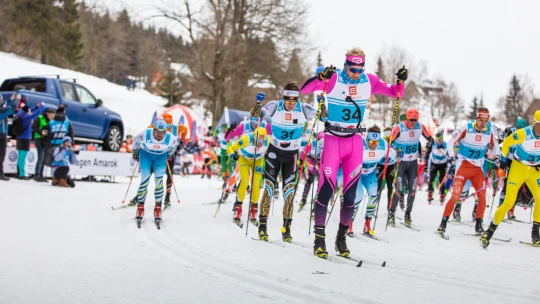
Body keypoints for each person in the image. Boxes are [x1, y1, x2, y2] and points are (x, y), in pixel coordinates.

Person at [300, 47, 407, 258]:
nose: (355, 73)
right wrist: (321, 77)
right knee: (326, 189)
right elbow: (305, 90)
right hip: (332, 140)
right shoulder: (334, 79)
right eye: (352, 69)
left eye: (360, 69)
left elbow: (396, 93)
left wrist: (401, 81)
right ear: (346, 65)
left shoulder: (369, 80)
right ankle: (319, 239)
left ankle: (341, 238)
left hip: (355, 142)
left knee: (350, 194)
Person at [257, 82, 319, 243]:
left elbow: (323, 117)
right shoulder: (275, 106)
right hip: (273, 153)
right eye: (288, 100)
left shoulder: (304, 108)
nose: (291, 104)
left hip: (291, 156)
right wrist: (257, 105)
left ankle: (286, 228)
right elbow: (255, 115)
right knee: (269, 190)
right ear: (283, 97)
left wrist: (323, 106)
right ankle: (262, 226)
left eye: (294, 100)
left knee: (289, 194)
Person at [437, 107, 501, 236]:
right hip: (463, 166)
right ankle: (443, 223)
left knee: (482, 197)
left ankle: (478, 224)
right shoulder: (466, 128)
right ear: (477, 118)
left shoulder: (489, 132)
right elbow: (450, 142)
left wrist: (498, 158)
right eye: (481, 119)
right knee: (456, 196)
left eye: (486, 120)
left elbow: (497, 148)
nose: (483, 123)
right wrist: (451, 156)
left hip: (477, 169)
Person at [481, 110, 540, 247]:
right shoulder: (523, 133)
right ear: (535, 124)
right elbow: (506, 144)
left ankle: (535, 232)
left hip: (534, 171)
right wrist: (502, 163)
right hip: (518, 168)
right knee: (509, 201)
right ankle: (489, 231)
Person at [340, 125, 391, 236]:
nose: (374, 145)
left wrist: (396, 154)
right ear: (367, 139)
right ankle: (349, 222)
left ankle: (367, 222)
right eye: (371, 142)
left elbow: (392, 156)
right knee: (358, 196)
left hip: (370, 173)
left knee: (373, 193)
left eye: (376, 142)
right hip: (357, 173)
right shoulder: (359, 142)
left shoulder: (383, 144)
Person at [388, 108, 434, 226]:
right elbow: (389, 143)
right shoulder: (399, 128)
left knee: (412, 190)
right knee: (398, 189)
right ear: (407, 119)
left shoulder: (419, 126)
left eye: (415, 120)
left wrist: (430, 142)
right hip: (401, 163)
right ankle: (391, 214)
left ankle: (408, 214)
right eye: (411, 120)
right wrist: (395, 150)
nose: (413, 122)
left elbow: (430, 137)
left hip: (413, 163)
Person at [132, 118, 178, 222]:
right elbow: (135, 140)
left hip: (160, 157)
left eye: (162, 132)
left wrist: (170, 154)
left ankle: (158, 208)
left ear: (166, 131)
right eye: (157, 132)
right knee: (145, 178)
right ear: (153, 130)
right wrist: (135, 153)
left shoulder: (170, 137)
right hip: (146, 156)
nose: (159, 135)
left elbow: (174, 145)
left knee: (159, 180)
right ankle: (140, 207)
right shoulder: (146, 133)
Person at [227, 127, 269, 225]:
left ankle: (253, 209)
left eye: (262, 141)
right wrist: (233, 155)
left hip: (258, 160)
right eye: (258, 140)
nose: (260, 143)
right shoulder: (246, 139)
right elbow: (231, 148)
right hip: (244, 159)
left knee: (256, 183)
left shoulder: (268, 141)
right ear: (254, 137)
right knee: (245, 181)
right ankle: (238, 208)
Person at [162, 113, 187, 207]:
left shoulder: (177, 128)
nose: (167, 128)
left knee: (169, 172)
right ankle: (141, 194)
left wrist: (182, 141)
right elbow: (149, 129)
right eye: (166, 125)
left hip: (171, 153)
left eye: (169, 126)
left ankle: (168, 195)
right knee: (153, 171)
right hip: (160, 152)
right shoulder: (159, 126)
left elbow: (185, 129)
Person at [16, 103, 46, 179]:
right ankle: (22, 174)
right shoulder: (26, 117)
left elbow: (30, 110)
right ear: (27, 111)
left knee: (20, 157)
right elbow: (36, 113)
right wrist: (42, 106)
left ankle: (19, 172)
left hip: (19, 138)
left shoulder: (20, 114)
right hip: (25, 139)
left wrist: (36, 106)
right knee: (23, 158)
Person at [299, 132, 324, 209]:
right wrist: (301, 165)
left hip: (322, 161)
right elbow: (303, 153)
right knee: (311, 178)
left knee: (321, 181)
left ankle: (317, 199)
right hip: (312, 159)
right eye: (319, 140)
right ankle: (304, 198)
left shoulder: (328, 143)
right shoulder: (312, 142)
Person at [0, 93, 20, 181]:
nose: (2, 100)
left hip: (2, 134)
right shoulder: (1, 111)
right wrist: (17, 99)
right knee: (1, 155)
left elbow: (4, 105)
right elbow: (13, 108)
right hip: (1, 135)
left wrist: (10, 100)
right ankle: (0, 174)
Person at [32, 108, 56, 182]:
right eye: (51, 115)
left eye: (53, 116)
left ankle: (41, 175)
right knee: (41, 157)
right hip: (39, 139)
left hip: (46, 140)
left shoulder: (51, 121)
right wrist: (41, 132)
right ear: (47, 113)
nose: (52, 117)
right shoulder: (40, 118)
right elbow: (33, 127)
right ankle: (37, 175)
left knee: (44, 158)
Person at [427, 131, 449, 204]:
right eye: (438, 139)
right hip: (434, 163)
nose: (439, 140)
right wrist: (425, 165)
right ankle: (430, 192)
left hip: (443, 164)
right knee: (431, 178)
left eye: (441, 139)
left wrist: (450, 161)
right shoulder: (433, 144)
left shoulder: (446, 145)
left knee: (441, 179)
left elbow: (450, 154)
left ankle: (442, 193)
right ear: (436, 139)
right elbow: (427, 154)